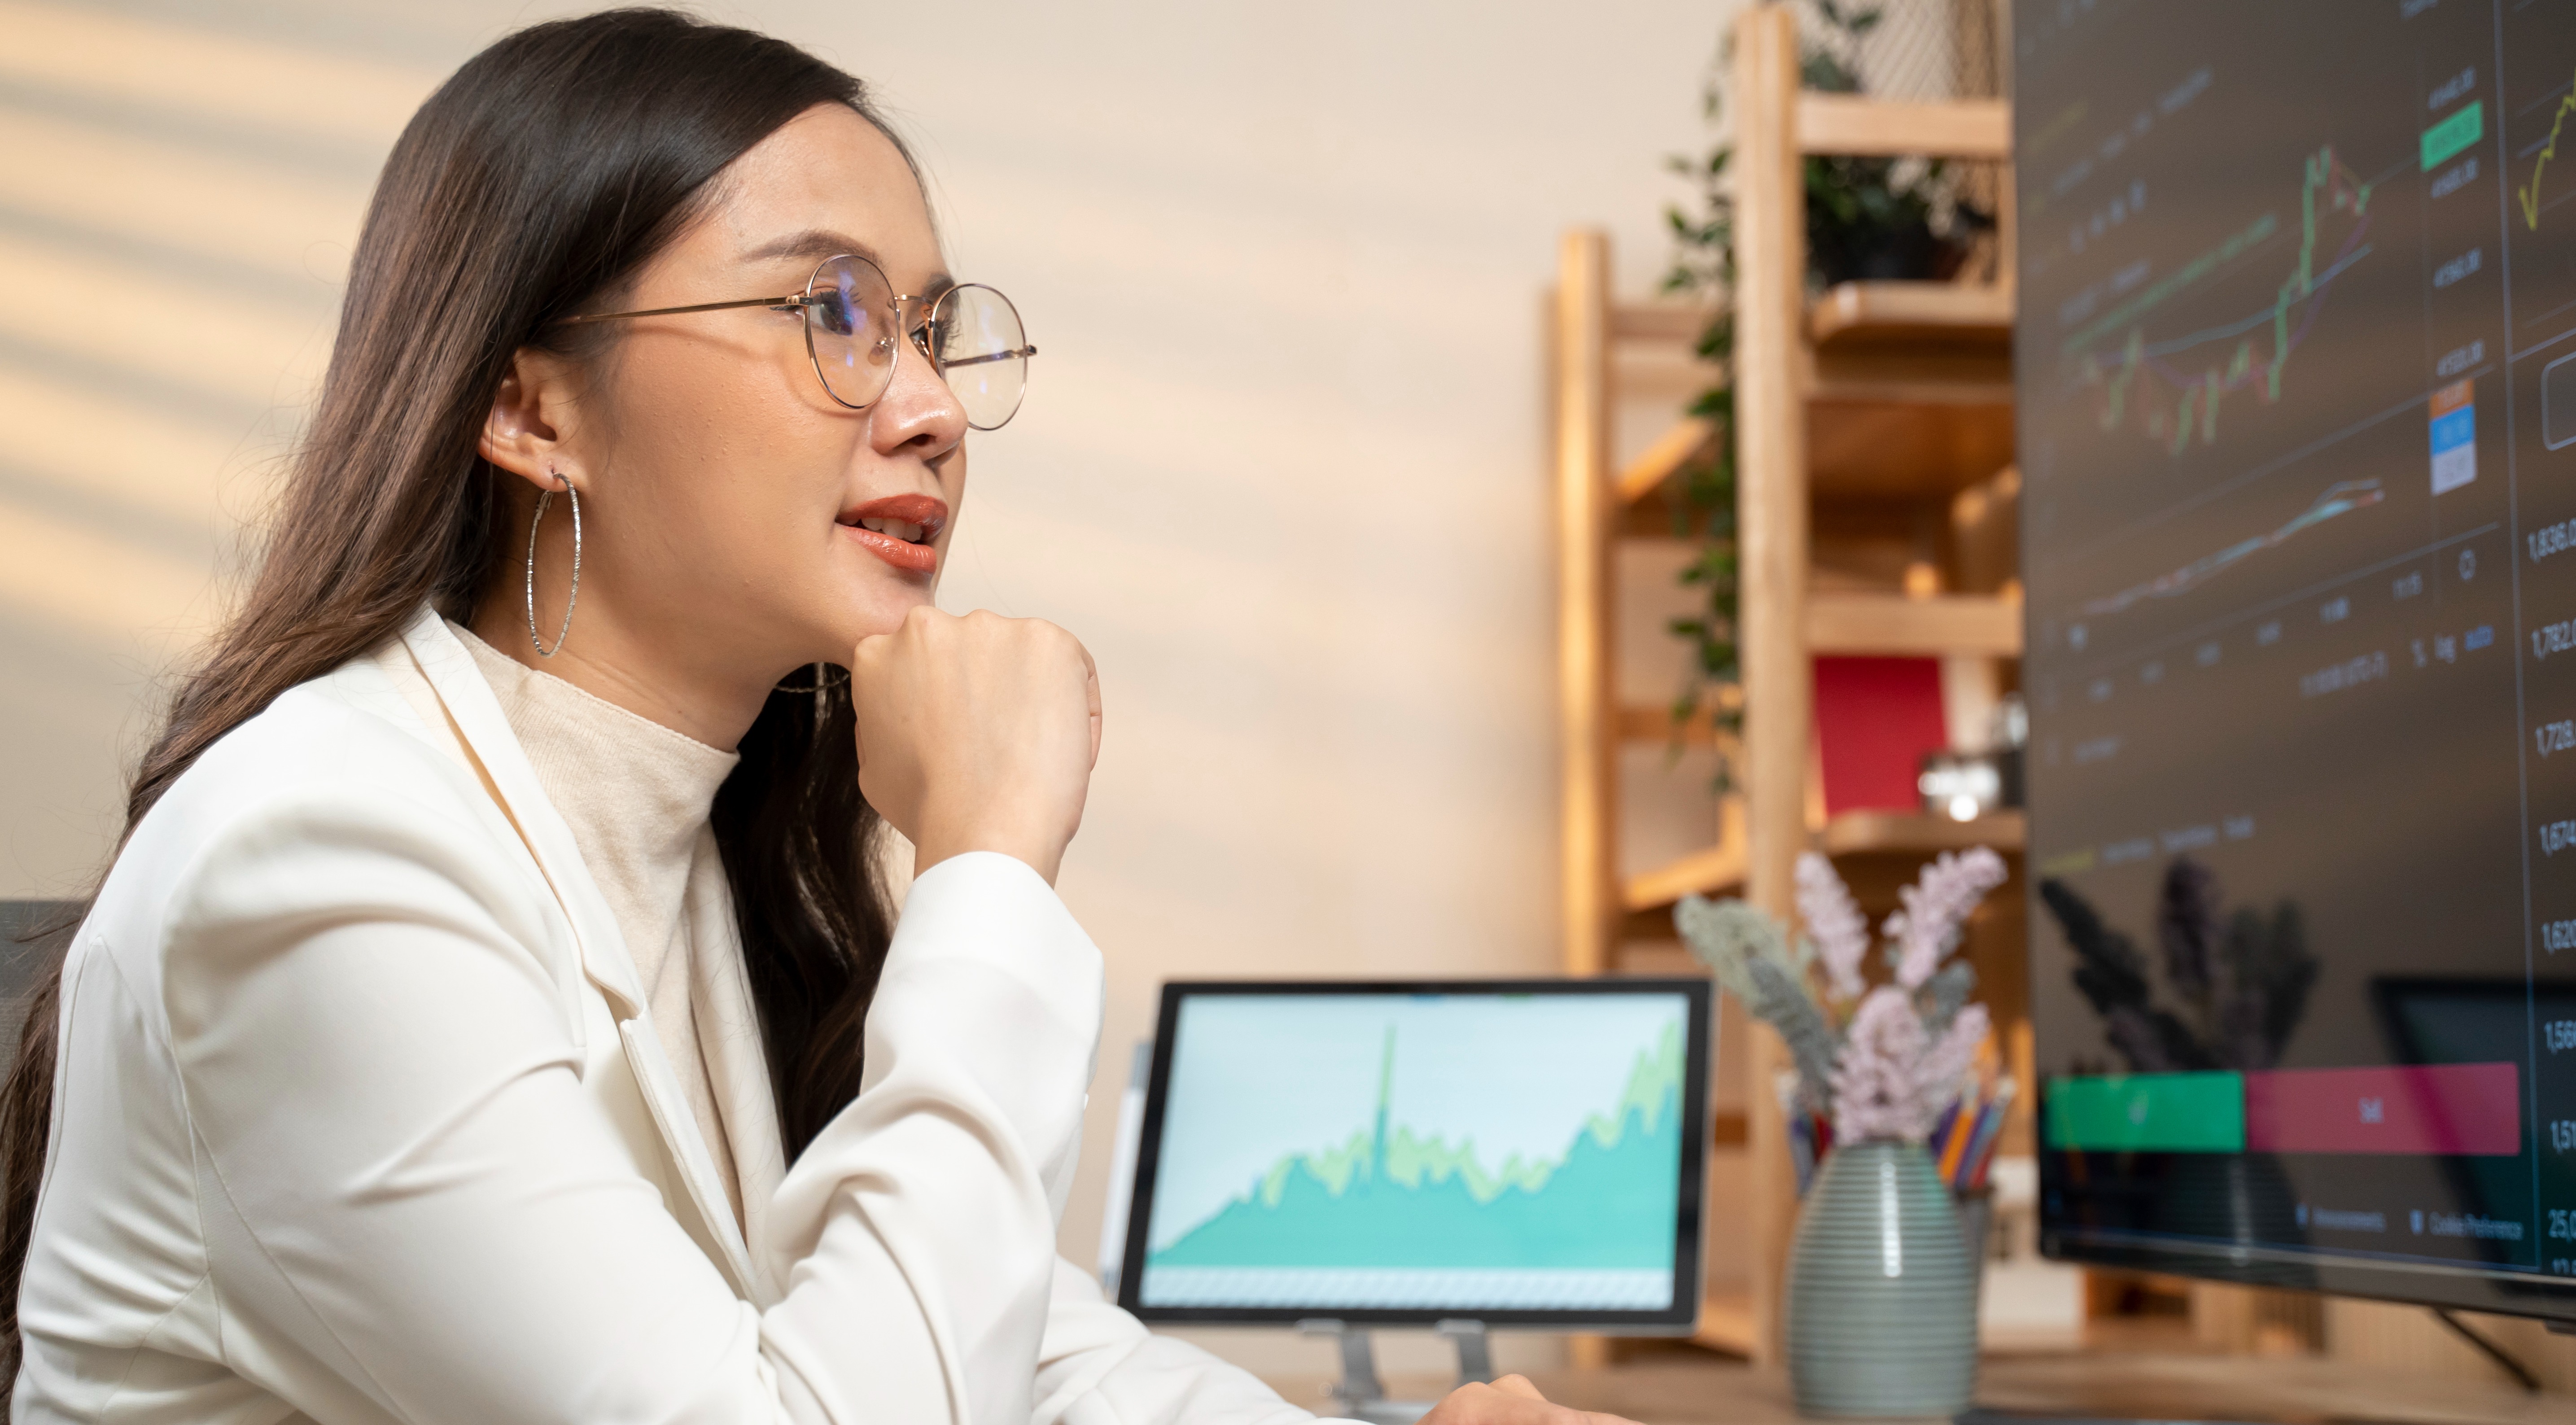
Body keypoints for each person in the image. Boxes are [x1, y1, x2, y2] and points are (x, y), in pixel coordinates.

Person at [0, 13, 1642, 1425]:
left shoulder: (704, 854)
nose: (929, 411)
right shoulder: (318, 863)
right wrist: (989, 865)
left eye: (927, 330)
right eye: (827, 317)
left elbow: (1012, 1352)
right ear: (529, 404)